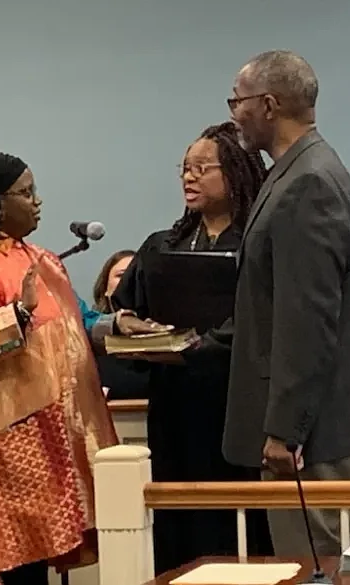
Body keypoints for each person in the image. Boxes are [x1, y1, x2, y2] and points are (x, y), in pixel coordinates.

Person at [225, 50, 350, 557]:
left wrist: (284, 430)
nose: (233, 113)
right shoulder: (296, 170)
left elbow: (306, 320)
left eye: (238, 101)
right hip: (315, 421)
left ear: (268, 105)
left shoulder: (308, 183)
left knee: (314, 562)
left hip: (311, 430)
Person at [0, 151, 119, 585]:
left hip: (55, 438)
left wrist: (120, 326)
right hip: (6, 446)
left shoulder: (42, 259)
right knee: (18, 569)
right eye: (26, 193)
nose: (37, 201)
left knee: (41, 565)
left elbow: (75, 325)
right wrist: (17, 314)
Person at [111, 121, 272, 575]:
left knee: (233, 523)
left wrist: (198, 344)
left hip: (231, 402)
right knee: (176, 521)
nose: (190, 177)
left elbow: (259, 322)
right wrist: (131, 324)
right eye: (185, 168)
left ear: (236, 173)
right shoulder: (164, 244)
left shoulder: (255, 243)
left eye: (203, 168)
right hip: (173, 401)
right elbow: (123, 310)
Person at [89, 250, 150, 400]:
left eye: (136, 275)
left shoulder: (165, 339)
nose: (128, 281)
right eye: (121, 275)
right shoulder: (88, 339)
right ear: (105, 289)